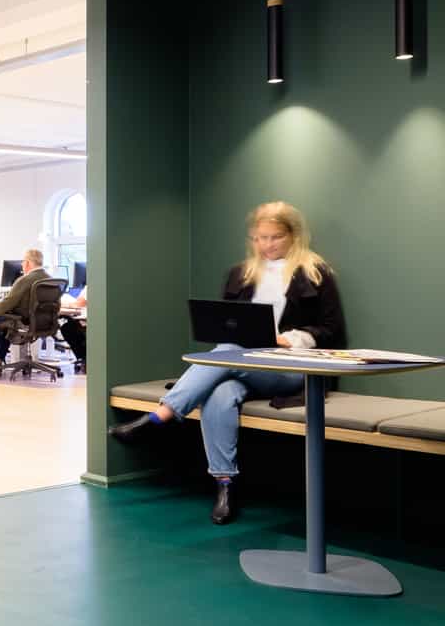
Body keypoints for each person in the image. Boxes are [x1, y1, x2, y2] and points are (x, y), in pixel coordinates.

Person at [109, 201, 345, 525]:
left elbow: (331, 329)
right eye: (260, 238)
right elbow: (225, 325)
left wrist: (288, 338)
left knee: (229, 349)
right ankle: (224, 486)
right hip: (241, 365)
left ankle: (162, 415)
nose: (267, 245)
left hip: (290, 369)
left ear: (293, 236)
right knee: (220, 392)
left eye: (275, 237)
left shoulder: (316, 273)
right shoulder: (241, 274)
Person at [60, 287, 88, 373]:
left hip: (87, 321)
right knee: (70, 326)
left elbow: (79, 303)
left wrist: (66, 304)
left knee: (67, 328)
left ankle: (84, 358)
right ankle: (85, 359)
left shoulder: (93, 285)